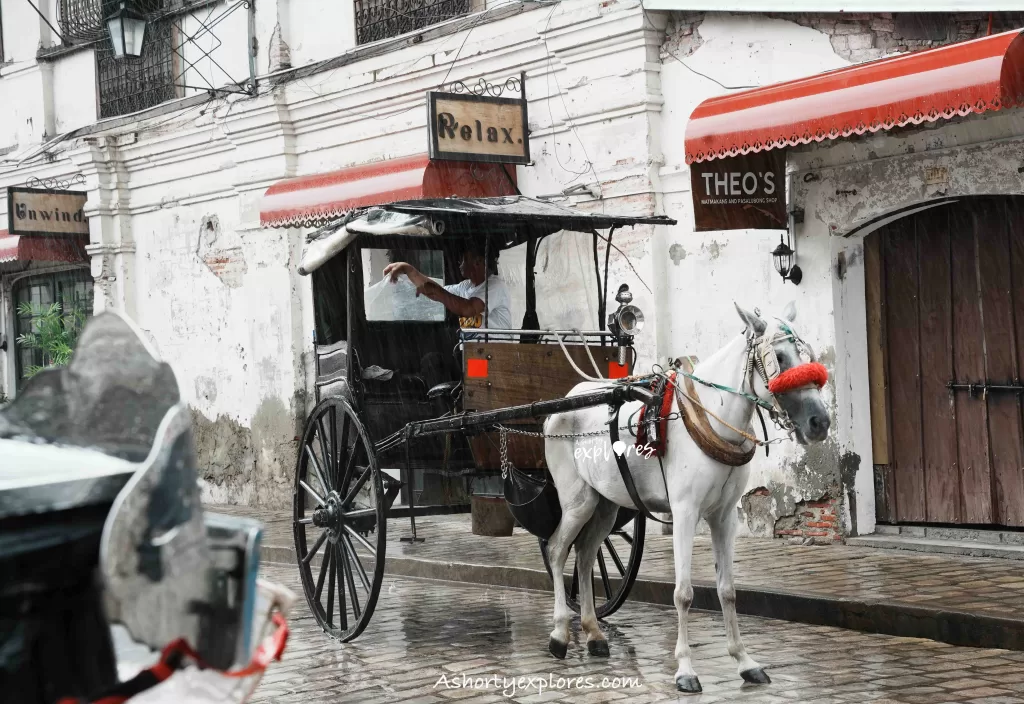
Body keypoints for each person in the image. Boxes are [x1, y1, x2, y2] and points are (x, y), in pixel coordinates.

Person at [383, 241, 512, 332]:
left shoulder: (495, 286)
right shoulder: (465, 286)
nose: (460, 264)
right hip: (473, 353)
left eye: (464, 259)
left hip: (493, 355)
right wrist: (410, 271)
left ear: (477, 262)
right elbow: (439, 291)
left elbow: (468, 308)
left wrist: (436, 291)